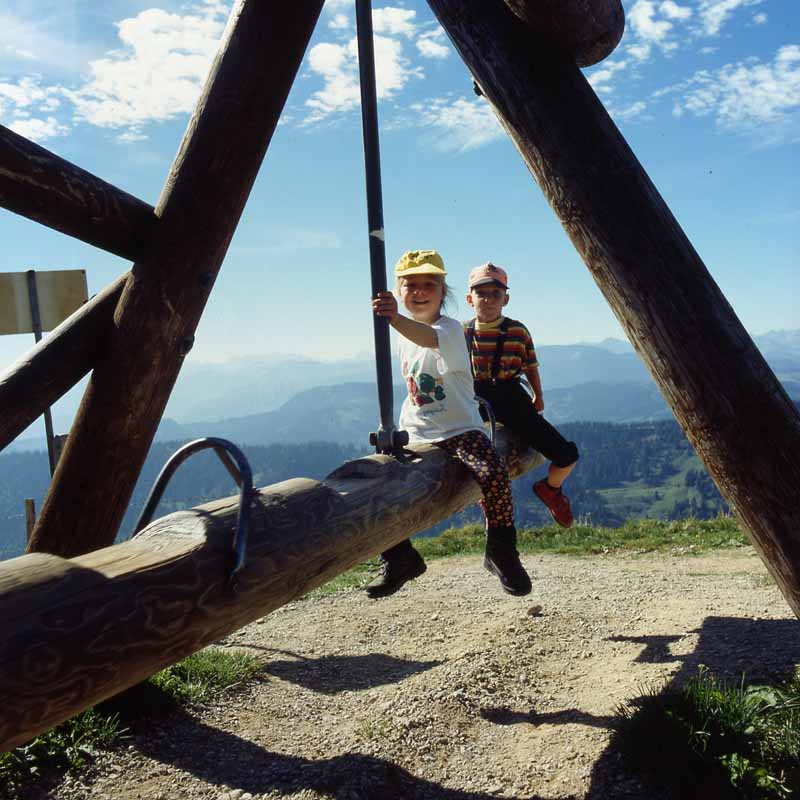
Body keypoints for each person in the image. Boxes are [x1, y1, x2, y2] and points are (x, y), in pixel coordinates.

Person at [367, 249, 531, 599]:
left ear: (444, 293)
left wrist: (394, 317)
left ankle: (501, 550)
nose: (420, 290)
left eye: (430, 284)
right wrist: (396, 321)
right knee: (379, 482)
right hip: (415, 431)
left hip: (458, 429)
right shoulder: (400, 336)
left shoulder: (451, 330)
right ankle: (399, 556)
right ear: (399, 290)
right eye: (410, 284)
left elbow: (427, 338)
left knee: (492, 473)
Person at [464, 262, 579, 528]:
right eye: (482, 293)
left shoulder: (517, 331)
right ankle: (486, 495)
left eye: (495, 293)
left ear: (506, 298)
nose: (489, 299)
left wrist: (538, 397)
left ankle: (551, 489)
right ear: (471, 299)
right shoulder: (461, 332)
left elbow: (530, 366)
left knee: (566, 455)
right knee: (476, 458)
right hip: (475, 399)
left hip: (512, 398)